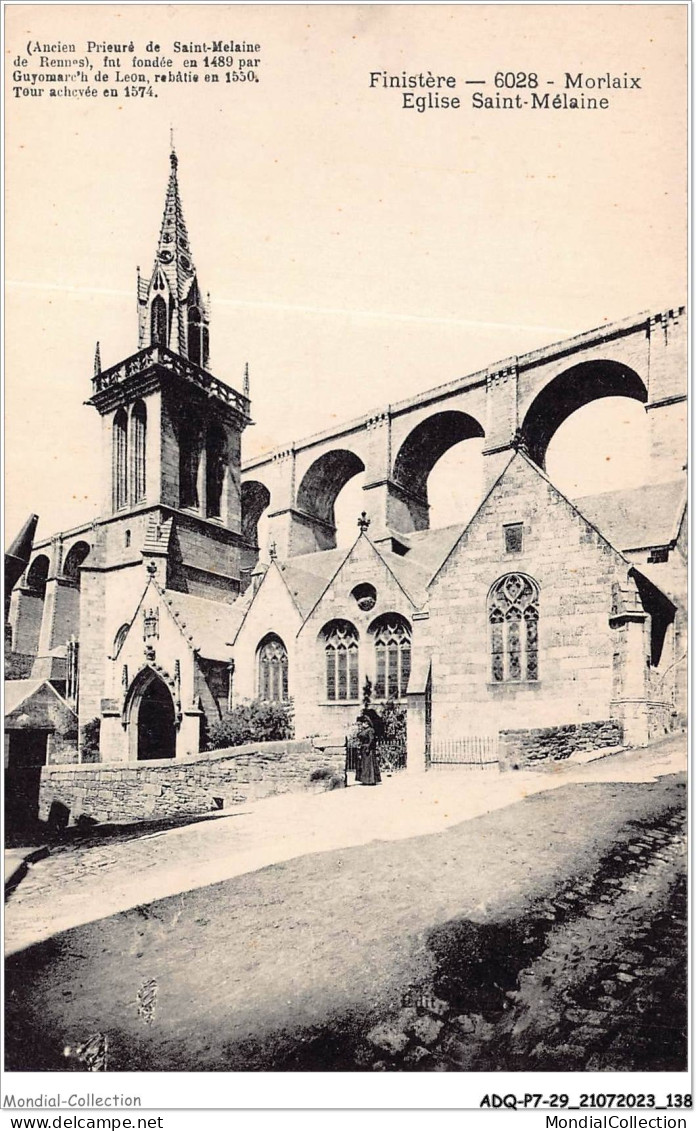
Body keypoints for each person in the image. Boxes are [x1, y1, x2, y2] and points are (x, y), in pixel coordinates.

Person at [354, 712, 381, 786]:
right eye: (362, 723)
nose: (362, 724)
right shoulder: (363, 730)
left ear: (367, 723)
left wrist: (368, 748)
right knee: (364, 765)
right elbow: (359, 736)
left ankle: (370, 780)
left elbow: (371, 740)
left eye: (364, 723)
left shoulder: (370, 730)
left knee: (369, 765)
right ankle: (364, 780)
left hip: (368, 749)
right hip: (363, 748)